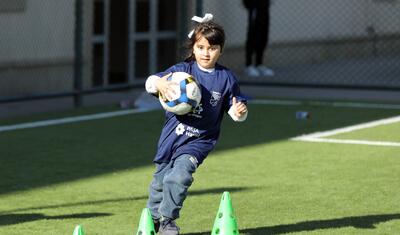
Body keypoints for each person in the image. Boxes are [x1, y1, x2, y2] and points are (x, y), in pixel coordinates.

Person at [144, 14, 248, 235]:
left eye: (212, 48)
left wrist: (239, 112)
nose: (206, 53)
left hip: (199, 140)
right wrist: (160, 82)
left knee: (179, 176)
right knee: (159, 184)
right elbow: (151, 83)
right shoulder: (182, 71)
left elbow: (235, 110)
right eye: (201, 47)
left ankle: (167, 221)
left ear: (221, 50)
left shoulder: (226, 78)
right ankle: (152, 220)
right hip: (172, 138)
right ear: (193, 48)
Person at [243, 0, 275, 77]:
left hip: (264, 6)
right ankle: (248, 65)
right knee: (253, 35)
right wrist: (250, 4)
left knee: (263, 35)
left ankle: (259, 64)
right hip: (255, 5)